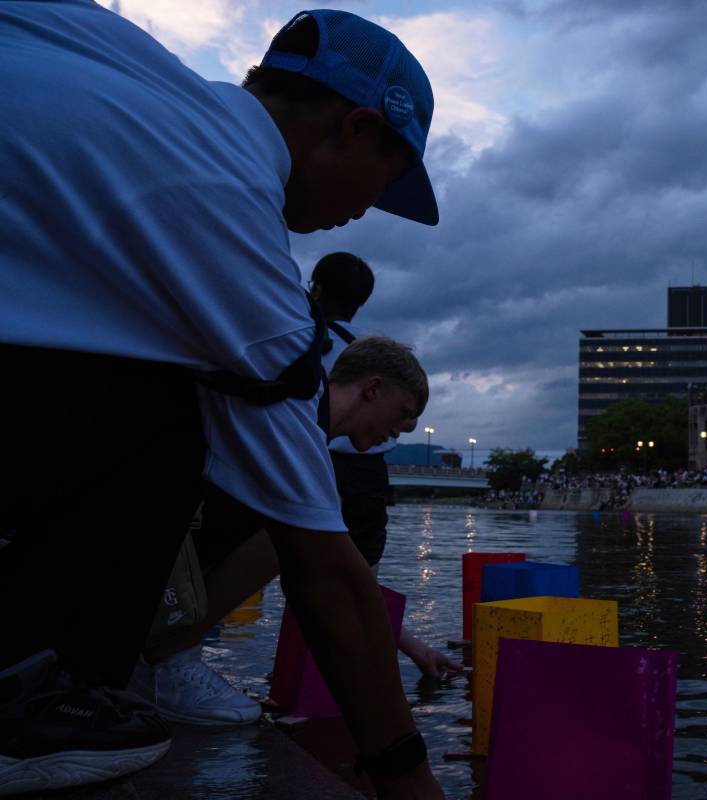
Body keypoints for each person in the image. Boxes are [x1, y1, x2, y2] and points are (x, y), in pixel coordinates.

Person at [0, 4, 445, 798]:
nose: (369, 209)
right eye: (389, 180)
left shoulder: (120, 57)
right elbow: (325, 573)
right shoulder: (233, 224)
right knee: (177, 412)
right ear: (355, 127)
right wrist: (407, 780)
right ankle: (30, 701)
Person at [132, 282, 461, 726]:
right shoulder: (297, 422)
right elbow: (338, 579)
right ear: (373, 389)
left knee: (303, 534)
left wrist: (416, 649)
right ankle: (164, 660)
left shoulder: (306, 419)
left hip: (159, 531)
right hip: (153, 527)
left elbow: (344, 579)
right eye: (403, 414)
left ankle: (162, 649)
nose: (401, 432)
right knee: (284, 536)